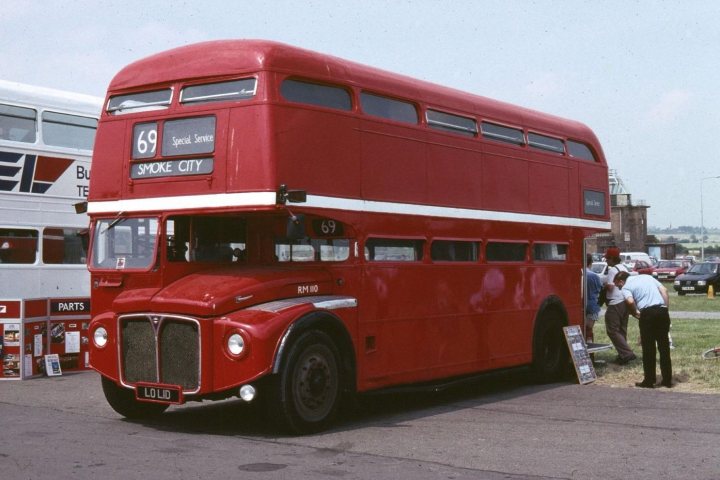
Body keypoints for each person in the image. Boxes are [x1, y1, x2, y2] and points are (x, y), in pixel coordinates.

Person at [613, 270, 673, 388]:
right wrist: (665, 309)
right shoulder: (647, 277)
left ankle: (649, 380)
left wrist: (635, 313)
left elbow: (630, 301)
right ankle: (667, 380)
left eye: (618, 286)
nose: (619, 289)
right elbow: (664, 291)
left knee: (648, 349)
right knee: (664, 347)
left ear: (621, 281)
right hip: (662, 311)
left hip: (647, 313)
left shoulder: (626, 287)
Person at [604, 247, 637, 364]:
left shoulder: (613, 270)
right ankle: (622, 356)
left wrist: (603, 284)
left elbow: (610, 286)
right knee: (622, 329)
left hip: (615, 302)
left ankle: (627, 353)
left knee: (612, 330)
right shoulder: (624, 267)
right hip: (625, 300)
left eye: (607, 258)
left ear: (612, 259)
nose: (606, 260)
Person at [585, 253, 602, 344]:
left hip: (580, 305)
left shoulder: (577, 274)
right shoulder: (594, 276)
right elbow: (599, 290)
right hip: (592, 306)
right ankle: (590, 349)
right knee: (589, 330)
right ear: (590, 263)